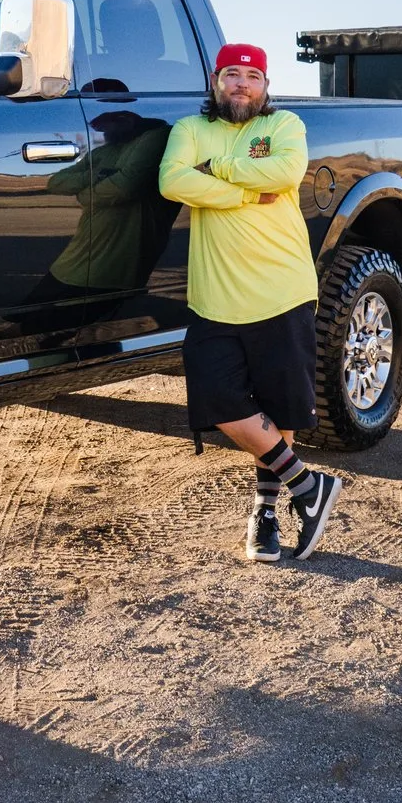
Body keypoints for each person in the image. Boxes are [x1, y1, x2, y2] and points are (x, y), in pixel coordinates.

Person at [158, 42, 344, 564]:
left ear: (266, 86)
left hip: (280, 288)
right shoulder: (189, 130)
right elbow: (171, 180)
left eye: (252, 76)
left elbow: (284, 175)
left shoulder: (283, 126)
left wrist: (214, 168)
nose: (242, 84)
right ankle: (308, 487)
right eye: (231, 75)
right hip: (216, 297)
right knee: (221, 401)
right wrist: (242, 191)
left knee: (278, 407)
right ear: (215, 82)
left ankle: (265, 515)